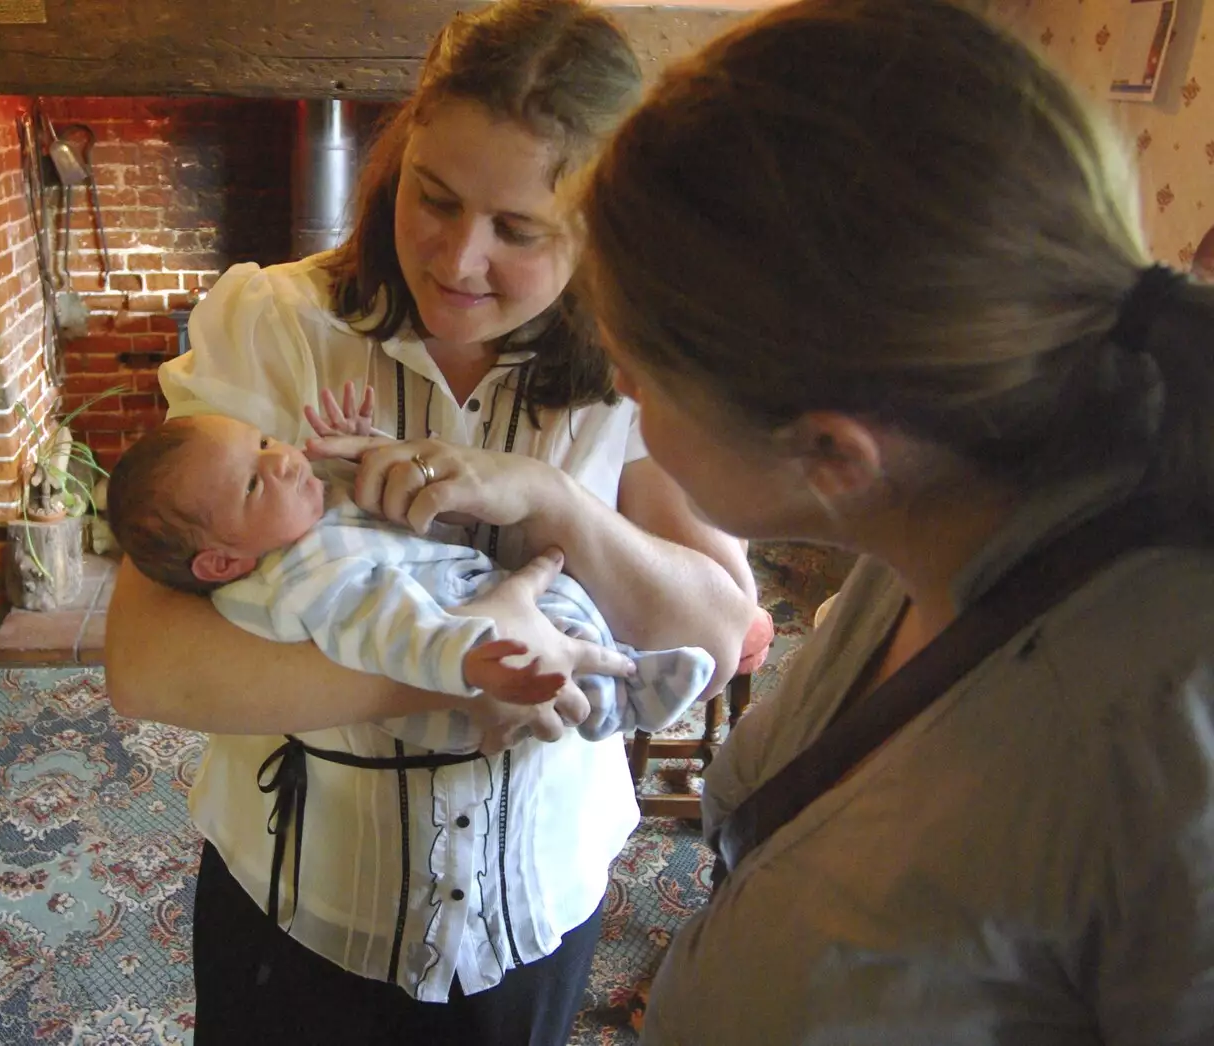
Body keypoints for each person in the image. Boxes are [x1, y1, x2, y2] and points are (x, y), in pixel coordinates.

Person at [102, 1, 761, 1041]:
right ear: (395, 159)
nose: (457, 260)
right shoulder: (274, 324)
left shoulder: (640, 363)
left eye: (518, 230)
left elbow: (717, 635)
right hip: (299, 906)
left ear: (595, 229)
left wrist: (550, 499)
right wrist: (470, 665)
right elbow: (145, 663)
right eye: (434, 198)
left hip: (532, 912)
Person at [576, 0, 1214, 1042]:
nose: (617, 386)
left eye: (639, 374)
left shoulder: (1163, 748)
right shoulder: (929, 521)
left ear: (831, 452)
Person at [106, 409, 719, 752]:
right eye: (252, 482)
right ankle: (628, 693)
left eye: (264, 440)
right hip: (456, 642)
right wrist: (476, 659)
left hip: (471, 595)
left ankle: (627, 666)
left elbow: (379, 497)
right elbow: (394, 628)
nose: (286, 458)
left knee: (564, 599)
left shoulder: (295, 522)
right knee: (562, 625)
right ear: (222, 563)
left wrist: (369, 445)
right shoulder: (309, 582)